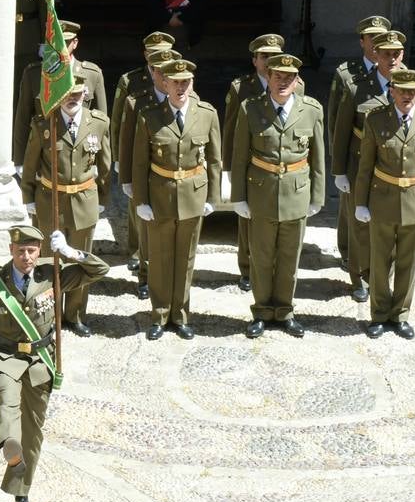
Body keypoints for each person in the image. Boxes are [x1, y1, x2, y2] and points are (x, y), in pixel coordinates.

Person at [0, 225, 108, 502]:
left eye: (32, 251)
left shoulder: (52, 274)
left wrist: (71, 253)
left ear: (39, 251)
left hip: (38, 361)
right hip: (5, 357)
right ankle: (8, 444)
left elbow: (99, 270)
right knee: (7, 405)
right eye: (20, 251)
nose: (26, 257)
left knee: (32, 432)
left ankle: (21, 494)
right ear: (11, 251)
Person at [230, 53, 325, 338]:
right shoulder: (251, 108)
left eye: (289, 78)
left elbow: (318, 157)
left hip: (296, 193)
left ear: (297, 82)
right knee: (261, 257)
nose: (283, 82)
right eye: (277, 76)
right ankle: (261, 311)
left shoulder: (311, 110)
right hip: (261, 192)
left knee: (288, 259)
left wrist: (317, 197)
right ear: (268, 78)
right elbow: (239, 156)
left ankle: (284, 311)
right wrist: (239, 197)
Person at [331, 29, 415, 304]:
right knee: (361, 225)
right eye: (386, 54)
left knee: (395, 225)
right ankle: (360, 278)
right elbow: (341, 130)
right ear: (377, 54)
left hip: (396, 167)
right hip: (359, 163)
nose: (392, 59)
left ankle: (386, 278)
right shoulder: (357, 86)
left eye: (397, 54)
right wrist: (339, 170)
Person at [353, 68, 415, 340]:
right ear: (391, 91)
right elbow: (365, 165)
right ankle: (379, 315)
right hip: (383, 199)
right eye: (402, 91)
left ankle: (401, 315)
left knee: (408, 263)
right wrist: (361, 202)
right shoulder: (375, 119)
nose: (407, 96)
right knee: (379, 262)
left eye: (413, 91)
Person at [132, 58, 220, 340]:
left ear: (192, 83)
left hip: (193, 195)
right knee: (159, 257)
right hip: (160, 195)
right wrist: (141, 201)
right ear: (164, 83)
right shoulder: (149, 115)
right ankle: (159, 314)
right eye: (175, 82)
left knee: (186, 258)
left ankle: (180, 315)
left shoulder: (207, 114)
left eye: (186, 82)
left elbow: (216, 160)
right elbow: (139, 163)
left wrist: (212, 197)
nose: (180, 87)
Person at [20, 82, 110, 335]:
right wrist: (28, 196)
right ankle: (49, 313)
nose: (73, 98)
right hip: (51, 201)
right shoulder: (43, 124)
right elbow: (30, 163)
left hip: (84, 200)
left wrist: (103, 198)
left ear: (86, 95)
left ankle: (75, 314)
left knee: (80, 259)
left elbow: (104, 165)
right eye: (68, 94)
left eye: (78, 94)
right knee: (50, 261)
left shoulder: (99, 123)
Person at [222, 33, 293, 292]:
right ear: (254, 61)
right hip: (252, 165)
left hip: (280, 166)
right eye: (264, 57)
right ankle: (247, 268)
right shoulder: (241, 87)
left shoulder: (296, 85)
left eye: (274, 57)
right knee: (248, 220)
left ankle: (273, 268)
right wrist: (229, 168)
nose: (269, 62)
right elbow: (230, 130)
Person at [116, 48, 185, 299]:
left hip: (173, 176)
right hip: (143, 174)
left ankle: (171, 278)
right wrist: (126, 178)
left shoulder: (188, 98)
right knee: (146, 231)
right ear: (152, 72)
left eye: (169, 72)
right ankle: (146, 276)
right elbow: (125, 141)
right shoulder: (137, 101)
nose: (165, 77)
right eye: (159, 71)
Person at [328, 15, 391, 272]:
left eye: (382, 39)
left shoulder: (402, 72)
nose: (377, 44)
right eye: (372, 38)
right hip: (357, 150)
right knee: (351, 205)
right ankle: (348, 252)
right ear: (362, 41)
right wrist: (338, 162)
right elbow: (335, 121)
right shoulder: (346, 74)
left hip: (388, 154)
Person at [13, 19, 106, 159]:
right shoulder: (33, 74)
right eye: (56, 42)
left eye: (65, 42)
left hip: (81, 157)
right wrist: (19, 159)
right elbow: (23, 119)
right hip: (44, 155)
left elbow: (101, 122)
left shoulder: (92, 74)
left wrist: (100, 159)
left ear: (75, 43)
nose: (60, 48)